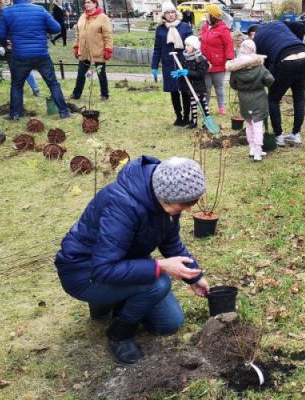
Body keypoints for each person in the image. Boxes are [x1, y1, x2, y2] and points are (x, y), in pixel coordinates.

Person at [54, 156, 211, 365]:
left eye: (192, 202)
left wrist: (195, 276)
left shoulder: (165, 197)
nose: (189, 209)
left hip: (121, 261)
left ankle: (113, 301)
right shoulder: (122, 205)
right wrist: (160, 266)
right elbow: (103, 269)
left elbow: (170, 241)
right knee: (160, 282)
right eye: (185, 204)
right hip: (85, 272)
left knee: (169, 324)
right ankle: (119, 335)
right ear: (165, 196)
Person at [0, 0, 71, 120]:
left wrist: (5, 43)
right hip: (41, 54)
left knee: (17, 85)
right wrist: (42, 28)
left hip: (20, 55)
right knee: (53, 83)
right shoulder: (40, 9)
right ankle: (64, 112)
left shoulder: (7, 12)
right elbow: (56, 28)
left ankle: (15, 114)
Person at [253, 21, 305, 146]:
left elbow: (263, 63)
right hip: (302, 54)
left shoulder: (257, 38)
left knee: (273, 99)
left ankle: (278, 136)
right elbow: (299, 26)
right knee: (299, 98)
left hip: (284, 58)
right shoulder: (279, 24)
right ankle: (296, 134)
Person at [226, 39, 273, 161]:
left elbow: (233, 84)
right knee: (258, 126)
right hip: (259, 100)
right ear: (254, 50)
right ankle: (258, 151)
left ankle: (252, 148)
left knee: (249, 125)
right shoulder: (259, 66)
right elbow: (270, 80)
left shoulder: (236, 68)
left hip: (244, 100)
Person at [152, 2, 194, 127]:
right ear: (164, 15)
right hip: (168, 64)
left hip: (183, 63)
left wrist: (191, 61)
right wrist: (154, 66)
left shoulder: (185, 27)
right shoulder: (160, 29)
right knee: (174, 91)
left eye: (172, 12)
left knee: (185, 91)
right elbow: (157, 49)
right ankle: (178, 117)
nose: (171, 15)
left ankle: (187, 116)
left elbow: (192, 44)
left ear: (176, 13)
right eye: (168, 13)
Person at [0, 0, 40, 97]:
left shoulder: (17, 8)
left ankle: (35, 88)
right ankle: (19, 90)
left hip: (20, 42)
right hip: (7, 44)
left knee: (25, 66)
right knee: (14, 68)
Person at [70, 0, 113, 101]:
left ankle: (104, 94)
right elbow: (77, 34)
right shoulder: (82, 17)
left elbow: (108, 35)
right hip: (84, 51)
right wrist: (76, 47)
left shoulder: (103, 18)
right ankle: (76, 94)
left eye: (89, 2)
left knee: (100, 73)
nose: (86, 4)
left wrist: (108, 49)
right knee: (81, 73)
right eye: (85, 2)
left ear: (95, 4)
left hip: (98, 51)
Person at [199, 4, 233, 115]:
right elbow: (201, 42)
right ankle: (205, 107)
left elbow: (229, 44)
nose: (206, 15)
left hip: (218, 63)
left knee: (219, 87)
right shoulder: (204, 27)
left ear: (212, 16)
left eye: (207, 13)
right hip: (205, 63)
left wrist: (229, 59)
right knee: (206, 88)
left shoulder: (223, 29)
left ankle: (221, 107)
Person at [173, 35, 210, 130]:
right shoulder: (186, 58)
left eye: (188, 45)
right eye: (186, 45)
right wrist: (180, 72)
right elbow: (183, 68)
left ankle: (207, 121)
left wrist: (188, 72)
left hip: (199, 87)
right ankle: (194, 122)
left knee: (203, 104)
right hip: (190, 87)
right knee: (193, 104)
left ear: (194, 47)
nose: (186, 47)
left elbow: (200, 74)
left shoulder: (200, 59)